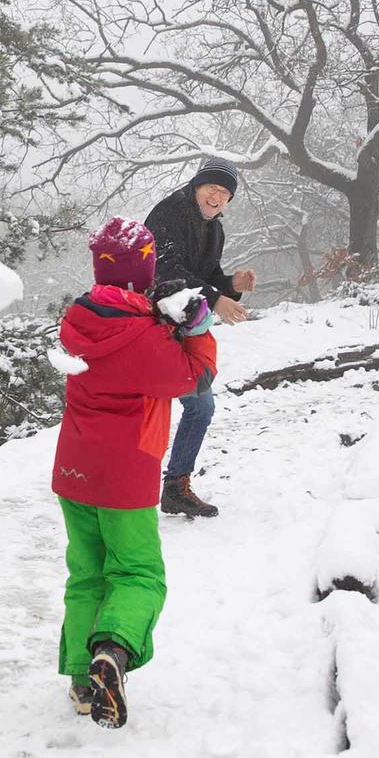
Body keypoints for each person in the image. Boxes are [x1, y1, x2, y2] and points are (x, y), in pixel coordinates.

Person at [50, 217, 217, 728]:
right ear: (146, 273)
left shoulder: (78, 320)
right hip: (127, 474)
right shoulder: (145, 337)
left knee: (87, 573)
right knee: (138, 573)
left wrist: (157, 316)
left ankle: (83, 680)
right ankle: (115, 649)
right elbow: (197, 377)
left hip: (75, 469)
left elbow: (122, 324)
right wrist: (197, 326)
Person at [144, 155, 256, 518]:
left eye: (225, 192)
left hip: (183, 325)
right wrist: (215, 296)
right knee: (143, 409)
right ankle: (121, 484)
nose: (217, 197)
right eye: (212, 188)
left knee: (199, 406)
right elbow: (166, 270)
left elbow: (206, 274)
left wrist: (231, 286)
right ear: (196, 187)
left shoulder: (215, 229)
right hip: (148, 324)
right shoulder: (169, 213)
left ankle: (175, 486)